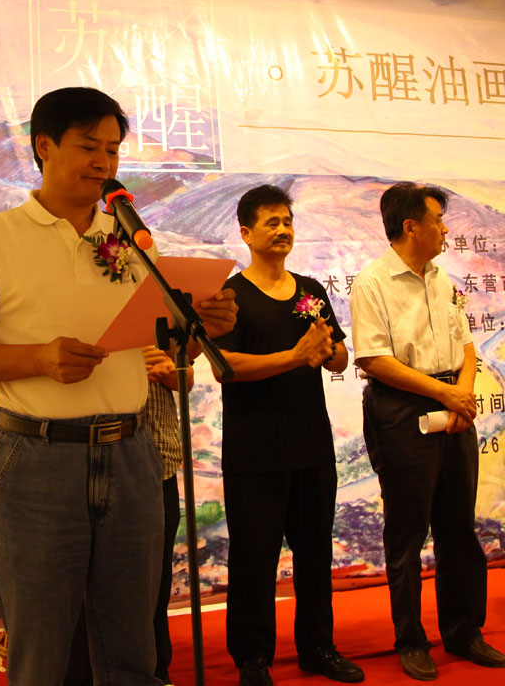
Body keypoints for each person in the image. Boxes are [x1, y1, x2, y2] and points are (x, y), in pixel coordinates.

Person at [0, 86, 237, 685]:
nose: (103, 162)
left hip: (132, 454)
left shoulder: (131, 241)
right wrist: (40, 359)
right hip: (38, 458)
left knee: (132, 644)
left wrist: (204, 330)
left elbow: (171, 352)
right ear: (44, 146)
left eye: (113, 149)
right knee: (41, 647)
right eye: (88, 146)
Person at [349, 181, 505, 681]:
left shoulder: (442, 278)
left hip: (453, 403)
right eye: (438, 220)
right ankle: (411, 640)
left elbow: (466, 345)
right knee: (408, 531)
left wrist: (462, 393)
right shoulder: (372, 283)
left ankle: (464, 631)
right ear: (411, 226)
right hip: (402, 409)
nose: (446, 229)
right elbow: (374, 359)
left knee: (459, 526)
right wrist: (444, 394)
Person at [213, 184, 364, 686]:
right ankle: (253, 658)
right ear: (246, 233)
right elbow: (226, 367)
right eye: (272, 222)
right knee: (254, 557)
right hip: (254, 449)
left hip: (311, 444)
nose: (283, 230)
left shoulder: (310, 290)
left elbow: (338, 356)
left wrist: (328, 351)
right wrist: (295, 356)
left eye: (287, 222)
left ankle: (318, 648)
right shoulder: (231, 296)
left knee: (315, 552)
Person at [64, 347, 194, 686]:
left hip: (158, 460)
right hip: (84, 461)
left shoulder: (156, 316)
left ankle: (156, 672)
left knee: (151, 588)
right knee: (77, 593)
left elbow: (187, 376)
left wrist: (172, 370)